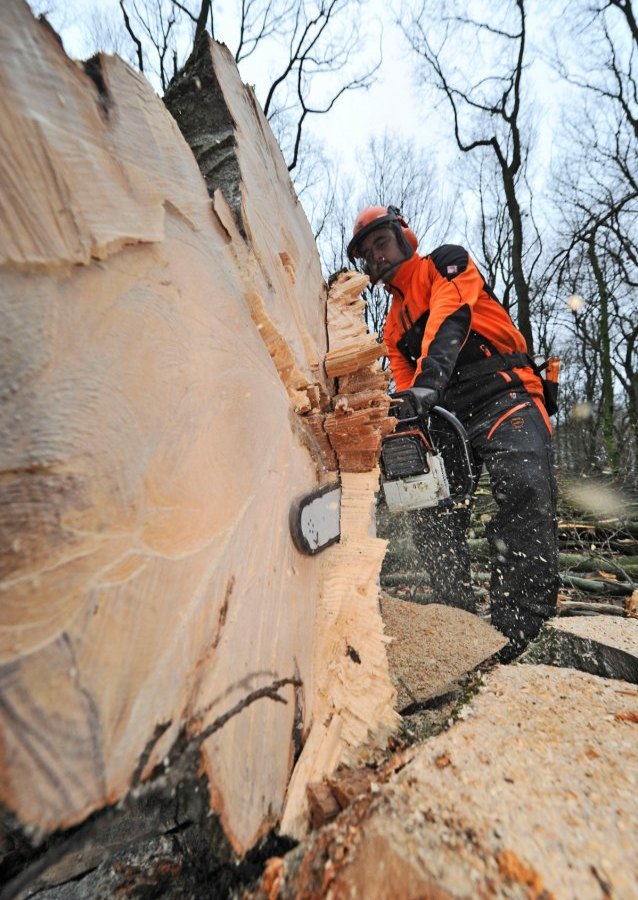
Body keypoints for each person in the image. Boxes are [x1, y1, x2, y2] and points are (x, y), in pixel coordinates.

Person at [347, 205, 559, 658]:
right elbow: (406, 388)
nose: (376, 258)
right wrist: (405, 416)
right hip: (447, 412)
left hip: (504, 391)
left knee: (524, 487)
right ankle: (457, 618)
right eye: (367, 254)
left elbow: (451, 318)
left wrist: (426, 385)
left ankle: (520, 628)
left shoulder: (447, 263)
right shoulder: (391, 325)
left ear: (404, 235)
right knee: (430, 507)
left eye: (380, 244)